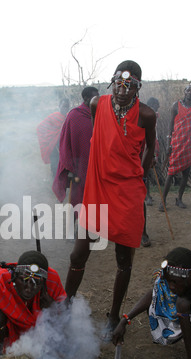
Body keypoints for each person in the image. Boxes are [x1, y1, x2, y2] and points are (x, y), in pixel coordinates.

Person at [64, 60, 156, 341]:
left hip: (127, 192)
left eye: (128, 86)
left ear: (137, 87)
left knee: (123, 259)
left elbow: (151, 147)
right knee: (79, 252)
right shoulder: (96, 104)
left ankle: (113, 315)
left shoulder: (147, 115)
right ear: (112, 82)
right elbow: (101, 139)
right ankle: (65, 305)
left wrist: (141, 176)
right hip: (99, 187)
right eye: (118, 84)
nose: (122, 91)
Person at [112, 247, 191, 359]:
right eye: (169, 281)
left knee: (184, 304)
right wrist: (125, 320)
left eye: (175, 282)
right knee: (181, 303)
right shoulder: (177, 273)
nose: (171, 286)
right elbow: (156, 292)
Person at [52, 87, 99, 214]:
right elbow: (65, 142)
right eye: (95, 98)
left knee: (97, 202)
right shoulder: (74, 115)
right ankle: (74, 230)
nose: (98, 100)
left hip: (97, 166)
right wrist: (69, 166)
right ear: (86, 98)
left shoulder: (99, 115)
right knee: (78, 202)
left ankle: (94, 229)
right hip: (79, 168)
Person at [159, 83, 191, 211]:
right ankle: (163, 201)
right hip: (177, 144)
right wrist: (168, 144)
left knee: (186, 172)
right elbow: (170, 126)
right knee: (171, 173)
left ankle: (179, 199)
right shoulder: (176, 106)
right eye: (188, 90)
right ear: (184, 92)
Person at [141, 97, 160, 248]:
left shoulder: (146, 117)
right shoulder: (118, 114)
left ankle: (143, 232)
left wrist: (152, 156)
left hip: (139, 162)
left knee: (139, 199)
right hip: (120, 164)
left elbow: (151, 141)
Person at [36, 97, 70, 177]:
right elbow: (40, 128)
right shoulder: (53, 117)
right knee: (55, 167)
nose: (65, 108)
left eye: (67, 106)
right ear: (59, 106)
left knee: (64, 168)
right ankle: (55, 184)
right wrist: (49, 138)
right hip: (54, 147)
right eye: (64, 106)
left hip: (64, 148)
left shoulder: (69, 117)